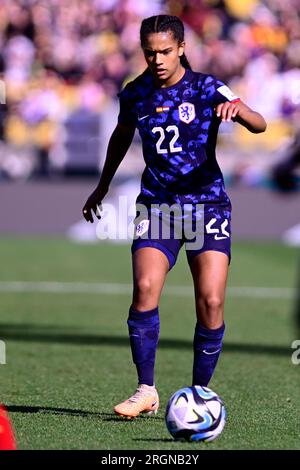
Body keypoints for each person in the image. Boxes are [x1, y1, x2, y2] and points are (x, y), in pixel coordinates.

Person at [82, 15, 266, 419]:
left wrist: (239, 110)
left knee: (212, 301)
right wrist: (102, 186)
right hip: (158, 206)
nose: (158, 59)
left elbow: (259, 123)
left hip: (207, 207)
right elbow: (120, 136)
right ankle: (145, 389)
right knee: (145, 287)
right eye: (150, 53)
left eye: (165, 51)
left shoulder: (205, 87)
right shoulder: (136, 93)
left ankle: (200, 395)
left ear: (181, 47)